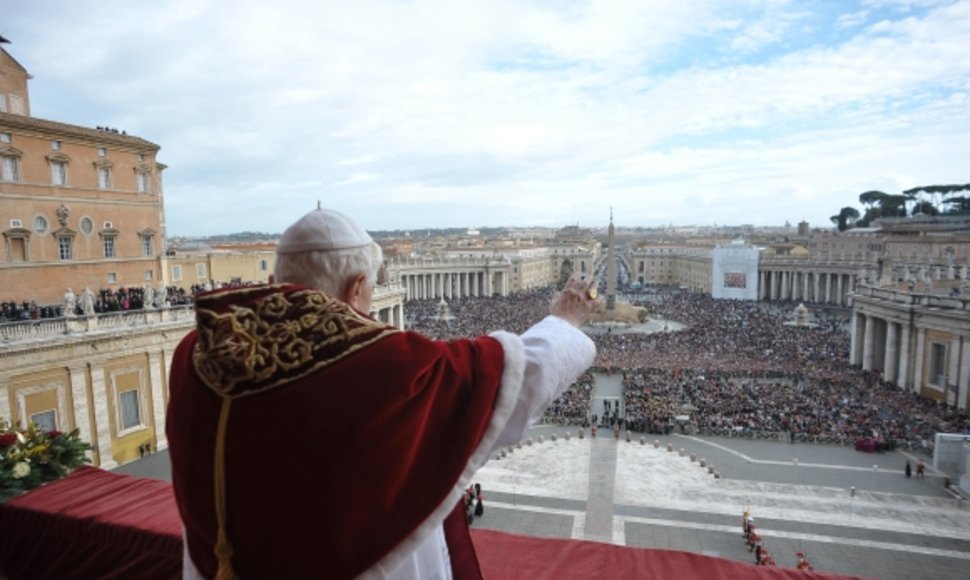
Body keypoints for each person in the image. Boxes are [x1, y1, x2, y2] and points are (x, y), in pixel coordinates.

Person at [167, 207, 598, 580]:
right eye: (370, 292)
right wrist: (564, 319)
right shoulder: (382, 365)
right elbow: (508, 379)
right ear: (356, 287)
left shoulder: (201, 352)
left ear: (280, 277)